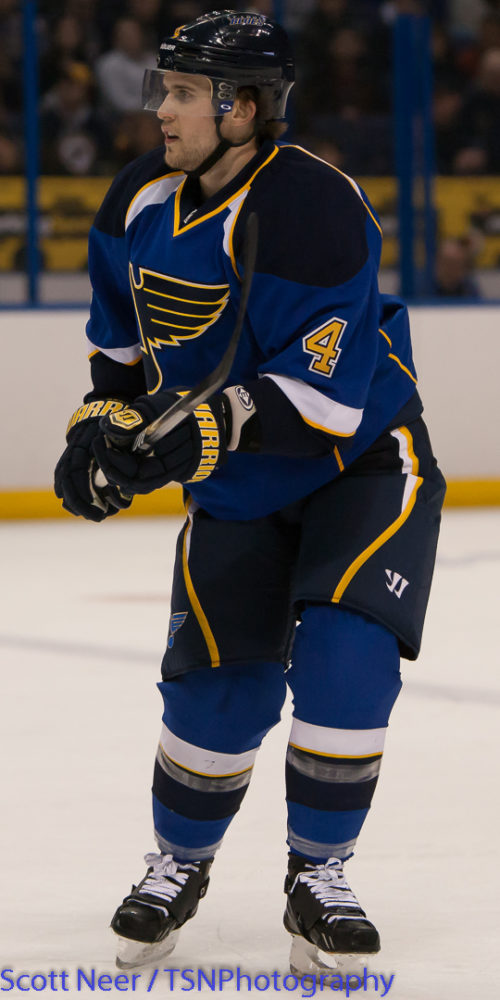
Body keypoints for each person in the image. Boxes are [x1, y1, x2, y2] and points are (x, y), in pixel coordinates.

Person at [54, 10, 446, 977]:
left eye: (186, 93)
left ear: (245, 108)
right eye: (166, 88)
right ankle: (178, 864)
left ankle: (320, 873)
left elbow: (324, 399)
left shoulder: (312, 204)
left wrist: (194, 433)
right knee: (216, 686)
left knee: (347, 654)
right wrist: (101, 426)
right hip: (237, 479)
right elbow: (121, 353)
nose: (163, 110)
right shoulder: (139, 198)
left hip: (361, 464)